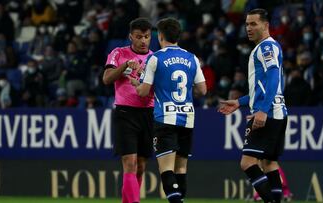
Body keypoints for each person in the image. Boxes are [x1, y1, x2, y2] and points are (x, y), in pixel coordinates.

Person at [131, 17, 207, 203]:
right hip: (187, 118)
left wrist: (136, 82)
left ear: (161, 36)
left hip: (165, 118)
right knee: (181, 169)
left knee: (166, 169)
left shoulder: (155, 58)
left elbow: (143, 91)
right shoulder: (192, 58)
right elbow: (202, 90)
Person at [218, 9, 287, 203]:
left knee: (247, 163)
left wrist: (263, 111)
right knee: (270, 163)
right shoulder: (268, 47)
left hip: (268, 112)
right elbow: (264, 87)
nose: (248, 28)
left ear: (266, 26)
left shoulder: (266, 48)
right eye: (247, 24)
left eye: (254, 24)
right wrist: (239, 102)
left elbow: (273, 76)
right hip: (278, 111)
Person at [102, 17, 154, 203]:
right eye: (139, 36)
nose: (143, 41)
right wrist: (125, 65)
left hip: (148, 114)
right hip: (125, 113)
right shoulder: (119, 53)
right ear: (130, 36)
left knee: (140, 166)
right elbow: (107, 79)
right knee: (129, 163)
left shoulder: (154, 58)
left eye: (146, 37)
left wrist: (142, 76)